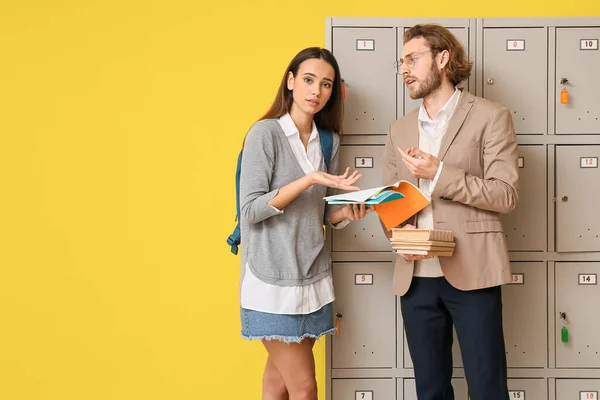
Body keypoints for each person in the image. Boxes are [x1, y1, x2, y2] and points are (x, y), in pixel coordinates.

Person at [382, 24, 519, 400]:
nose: (404, 69)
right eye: (401, 61)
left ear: (443, 59)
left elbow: (505, 195)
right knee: (430, 390)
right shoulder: (399, 128)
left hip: (473, 271)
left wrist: (439, 174)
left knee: (487, 387)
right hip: (415, 277)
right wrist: (398, 235)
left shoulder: (491, 116)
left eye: (413, 58)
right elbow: (392, 201)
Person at [239, 47, 373, 400]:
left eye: (326, 84)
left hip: (313, 277)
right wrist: (309, 179)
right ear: (291, 82)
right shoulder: (264, 134)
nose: (317, 91)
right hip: (271, 279)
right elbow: (251, 210)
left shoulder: (327, 141)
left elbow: (325, 213)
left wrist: (349, 211)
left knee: (278, 381)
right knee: (304, 387)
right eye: (309, 80)